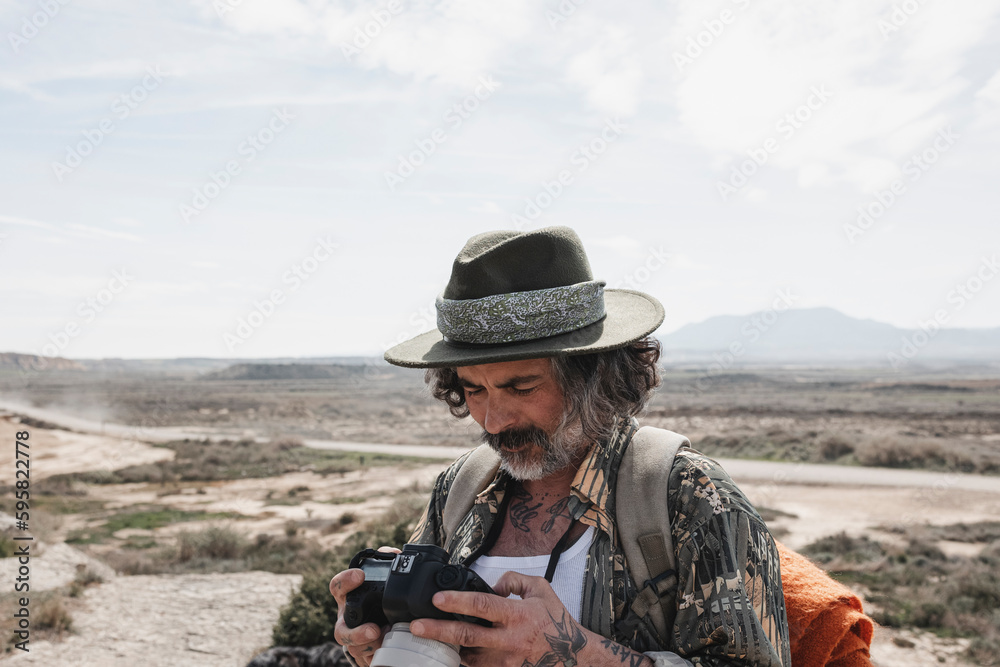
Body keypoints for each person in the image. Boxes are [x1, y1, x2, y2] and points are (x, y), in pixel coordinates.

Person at [330, 226, 790, 667]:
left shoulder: (688, 496)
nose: (494, 421)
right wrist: (377, 645)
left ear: (595, 376)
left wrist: (581, 656)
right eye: (474, 390)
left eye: (522, 387)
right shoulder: (460, 488)